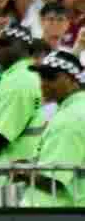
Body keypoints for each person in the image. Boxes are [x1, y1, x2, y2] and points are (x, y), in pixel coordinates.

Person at [0, 25, 48, 171]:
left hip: (11, 174)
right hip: (6, 170)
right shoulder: (14, 76)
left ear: (22, 47)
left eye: (3, 44)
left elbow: (1, 136)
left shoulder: (21, 81)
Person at [21, 51, 85, 207]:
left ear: (73, 80)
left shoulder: (70, 118)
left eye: (51, 77)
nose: (44, 83)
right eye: (41, 77)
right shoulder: (75, 110)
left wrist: (21, 172)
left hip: (51, 217)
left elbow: (56, 180)